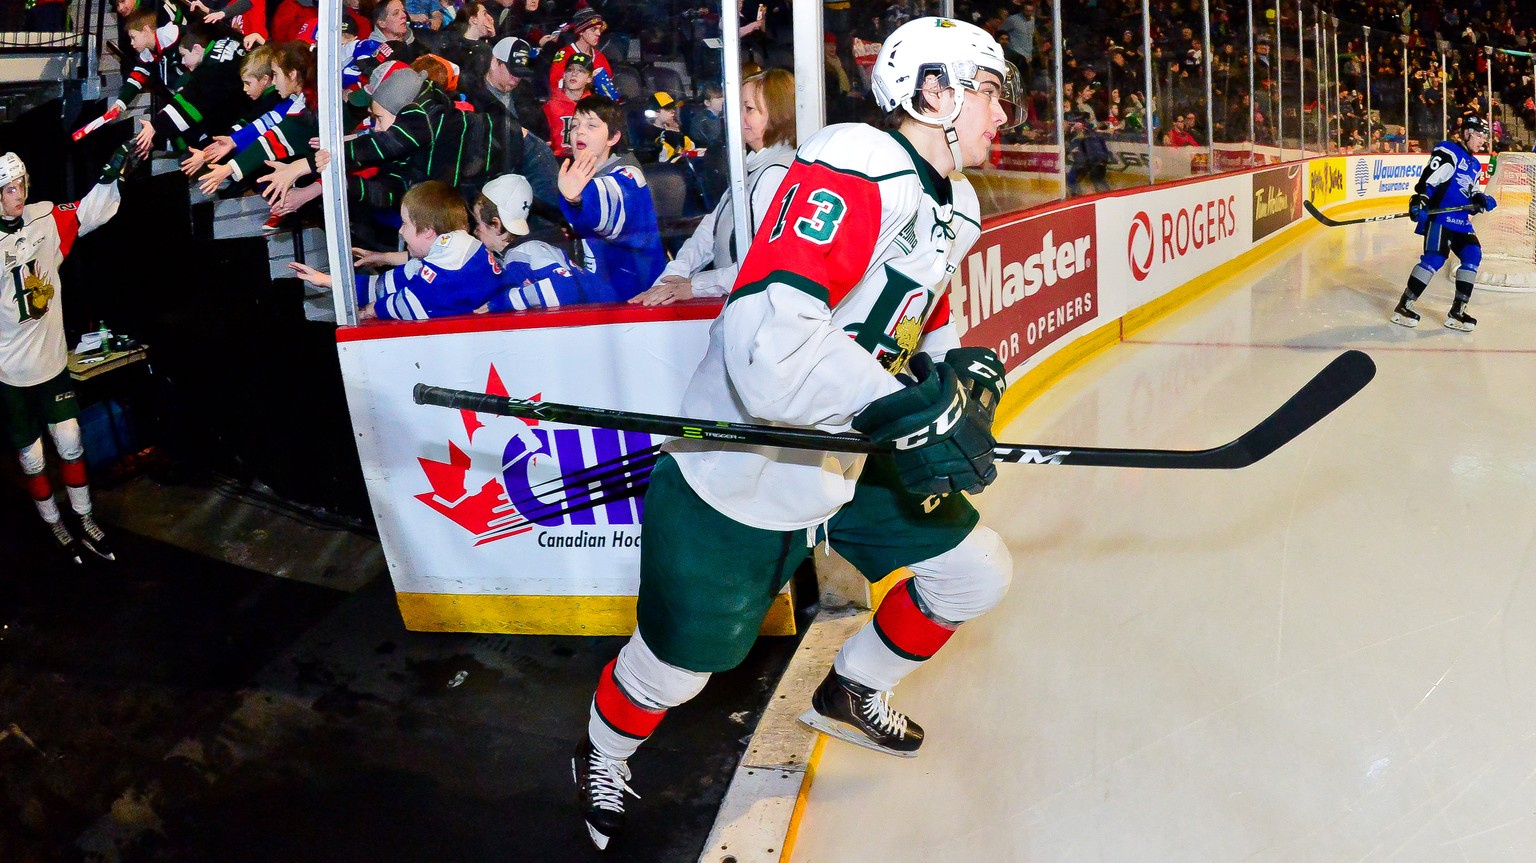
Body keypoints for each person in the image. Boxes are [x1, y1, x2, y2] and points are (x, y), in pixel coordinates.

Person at [572, 16, 1019, 850]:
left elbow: (925, 317)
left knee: (974, 572)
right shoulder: (857, 162)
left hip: (845, 451)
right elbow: (765, 339)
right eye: (990, 90)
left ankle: (851, 689)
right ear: (935, 91)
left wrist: (960, 375)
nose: (1004, 113)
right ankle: (600, 750)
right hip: (744, 459)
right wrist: (904, 412)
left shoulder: (954, 201)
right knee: (675, 669)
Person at [0, 146, 134, 563]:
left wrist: (110, 176)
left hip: (52, 362)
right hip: (9, 370)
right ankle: (52, 521)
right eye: (7, 188)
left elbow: (88, 212)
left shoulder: (44, 215)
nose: (16, 194)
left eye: (20, 184)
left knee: (72, 441)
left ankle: (85, 517)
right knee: (33, 455)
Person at [630, 68, 794, 306]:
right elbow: (711, 229)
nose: (738, 117)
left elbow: (767, 264)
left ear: (778, 115)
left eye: (748, 109)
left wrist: (695, 286)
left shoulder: (778, 174)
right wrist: (673, 277)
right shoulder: (755, 166)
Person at [288, 180, 502, 320]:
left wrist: (375, 309)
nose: (400, 231)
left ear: (428, 231)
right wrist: (327, 280)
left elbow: (415, 304)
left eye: (405, 223)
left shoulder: (457, 248)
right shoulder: (438, 257)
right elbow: (383, 286)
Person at [556, 95, 667, 302]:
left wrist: (577, 199)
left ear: (613, 137)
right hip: (602, 296)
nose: (579, 131)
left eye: (592, 126)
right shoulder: (573, 175)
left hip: (638, 300)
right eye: (575, 125)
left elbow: (608, 201)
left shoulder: (630, 175)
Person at [1392, 114, 1496, 331]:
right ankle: (1405, 305)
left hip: (1460, 221)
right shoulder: (1448, 151)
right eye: (1479, 135)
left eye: (1484, 137)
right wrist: (1420, 200)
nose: (1482, 141)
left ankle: (1457, 311)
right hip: (1440, 217)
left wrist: (1480, 199)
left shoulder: (1475, 164)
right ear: (1466, 133)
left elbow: (1472, 189)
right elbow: (1428, 180)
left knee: (1473, 254)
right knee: (1435, 259)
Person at [472, 173, 600, 309]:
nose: (475, 231)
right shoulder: (529, 250)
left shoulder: (524, 253)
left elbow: (564, 289)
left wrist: (502, 302)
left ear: (496, 225)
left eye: (477, 223)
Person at [542, 49, 594, 158]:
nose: (574, 74)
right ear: (564, 75)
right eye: (570, 70)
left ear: (589, 78)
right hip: (558, 161)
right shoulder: (550, 106)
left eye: (581, 71)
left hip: (589, 160)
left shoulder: (595, 106)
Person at [644, 91, 695, 163]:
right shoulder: (650, 134)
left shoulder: (674, 127)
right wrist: (673, 134)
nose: (673, 111)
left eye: (673, 108)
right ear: (655, 112)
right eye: (668, 109)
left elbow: (690, 148)